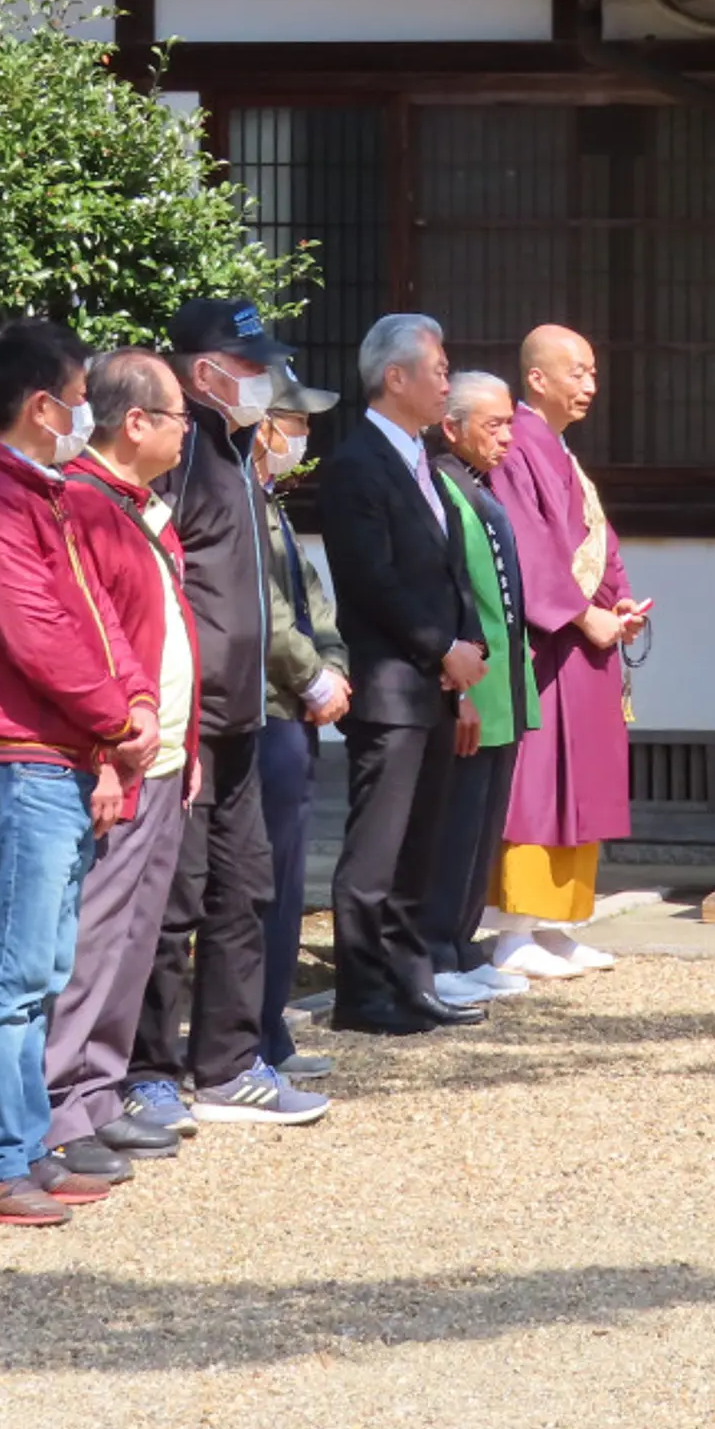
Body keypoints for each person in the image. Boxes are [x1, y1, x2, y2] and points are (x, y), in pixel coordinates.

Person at [0, 320, 162, 1224]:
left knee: (43, 965)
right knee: (12, 972)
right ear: (41, 405)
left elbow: (95, 613)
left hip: (56, 755)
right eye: (74, 398)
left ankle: (23, 1143)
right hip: (18, 759)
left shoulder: (39, 493)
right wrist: (118, 713)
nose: (82, 414)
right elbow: (40, 634)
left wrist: (128, 706)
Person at [122, 299, 311, 1130]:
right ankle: (149, 1069)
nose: (261, 381)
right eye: (247, 366)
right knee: (174, 897)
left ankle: (230, 1061)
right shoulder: (180, 448)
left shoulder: (235, 450)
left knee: (247, 887)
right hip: (187, 719)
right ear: (205, 372)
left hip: (246, 715)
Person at [325, 312, 488, 1034]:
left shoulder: (424, 464)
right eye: (438, 369)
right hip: (392, 682)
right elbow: (372, 581)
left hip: (438, 683)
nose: (447, 381)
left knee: (422, 846)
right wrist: (438, 648)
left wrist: (468, 651)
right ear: (395, 378)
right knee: (377, 850)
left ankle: (411, 977)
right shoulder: (357, 464)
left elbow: (453, 573)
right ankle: (362, 992)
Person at [488, 326, 647, 980]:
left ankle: (557, 925)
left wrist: (621, 608)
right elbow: (525, 546)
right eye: (577, 372)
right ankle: (513, 930)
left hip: (583, 644)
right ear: (537, 379)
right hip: (548, 644)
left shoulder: (559, 451)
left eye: (592, 372)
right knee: (539, 779)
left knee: (580, 781)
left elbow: (596, 541)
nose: (590, 385)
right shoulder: (516, 446)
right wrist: (585, 616)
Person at [429, 372, 538, 1005]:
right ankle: (438, 948)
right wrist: (457, 688)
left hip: (502, 682)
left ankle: (464, 944)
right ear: (453, 426)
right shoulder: (442, 487)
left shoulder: (477, 485)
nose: (506, 436)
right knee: (457, 824)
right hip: (471, 682)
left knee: (482, 823)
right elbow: (450, 591)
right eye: (493, 424)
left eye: (508, 423)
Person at [256, 400, 351, 1085]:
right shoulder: (234, 498)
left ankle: (270, 1029)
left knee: (288, 882)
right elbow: (264, 611)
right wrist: (310, 676)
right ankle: (248, 1036)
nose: (302, 436)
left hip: (297, 709)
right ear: (263, 426)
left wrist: (333, 668)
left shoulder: (272, 503)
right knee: (258, 884)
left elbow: (313, 602)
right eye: (294, 420)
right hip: (265, 708)